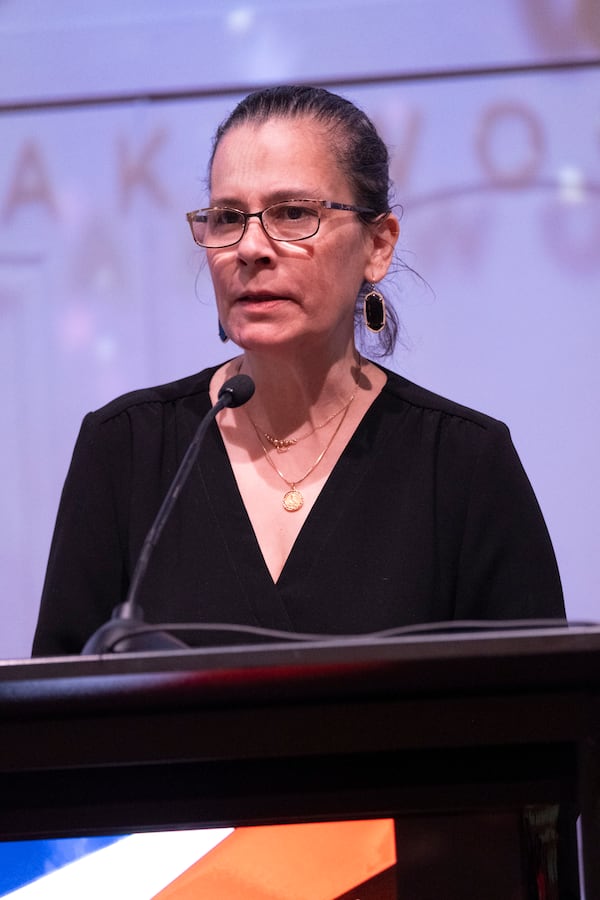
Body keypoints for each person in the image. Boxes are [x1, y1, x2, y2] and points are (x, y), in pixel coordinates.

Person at [32, 85, 564, 657]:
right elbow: (60, 723)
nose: (251, 248)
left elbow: (540, 727)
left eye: (292, 213)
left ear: (377, 245)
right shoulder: (126, 450)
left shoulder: (464, 465)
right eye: (227, 217)